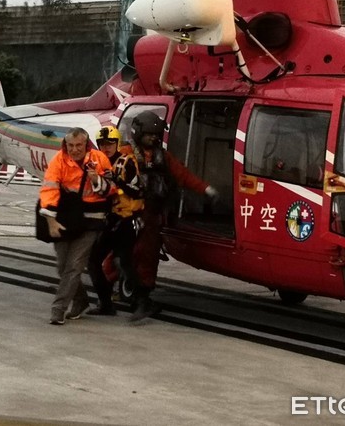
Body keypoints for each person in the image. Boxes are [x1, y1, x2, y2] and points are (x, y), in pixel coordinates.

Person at [128, 111, 218, 322]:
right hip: (126, 212)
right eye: (150, 134)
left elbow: (183, 176)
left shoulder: (163, 157)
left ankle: (142, 298)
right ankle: (109, 290)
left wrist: (206, 189)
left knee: (147, 255)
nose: (154, 138)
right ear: (138, 133)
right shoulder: (126, 154)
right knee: (120, 253)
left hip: (150, 214)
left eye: (156, 134)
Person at [39, 127, 113, 325]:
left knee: (75, 265)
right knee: (62, 266)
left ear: (86, 143)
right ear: (66, 144)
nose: (74, 149)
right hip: (66, 219)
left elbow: (111, 189)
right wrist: (50, 219)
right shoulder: (59, 161)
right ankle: (80, 300)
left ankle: (58, 308)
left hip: (91, 221)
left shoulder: (99, 159)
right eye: (70, 145)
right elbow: (49, 189)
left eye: (79, 145)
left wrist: (96, 179)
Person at [87, 125, 144, 316]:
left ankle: (141, 302)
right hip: (108, 219)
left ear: (117, 143)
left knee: (124, 261)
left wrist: (117, 181)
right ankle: (105, 302)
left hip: (126, 219)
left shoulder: (127, 162)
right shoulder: (95, 163)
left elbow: (138, 191)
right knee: (94, 261)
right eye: (102, 144)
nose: (106, 147)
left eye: (110, 143)